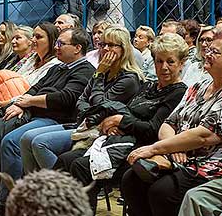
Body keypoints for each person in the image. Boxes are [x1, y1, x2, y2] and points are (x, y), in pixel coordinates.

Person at [0, 28, 96, 215]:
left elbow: (66, 98)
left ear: (78, 48)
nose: (57, 47)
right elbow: (35, 88)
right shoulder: (59, 67)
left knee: (10, 142)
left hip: (55, 119)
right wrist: (21, 104)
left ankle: (5, 205)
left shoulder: (85, 70)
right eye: (57, 43)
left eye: (61, 43)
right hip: (33, 112)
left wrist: (27, 102)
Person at [122, 31, 222, 216]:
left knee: (162, 192)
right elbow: (169, 123)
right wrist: (174, 148)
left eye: (214, 52)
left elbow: (204, 135)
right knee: (131, 180)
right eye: (207, 49)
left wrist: (155, 149)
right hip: (179, 157)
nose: (207, 53)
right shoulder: (198, 86)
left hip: (208, 164)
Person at [59, 33, 189, 213]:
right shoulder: (149, 86)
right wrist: (115, 123)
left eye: (170, 62)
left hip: (143, 147)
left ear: (182, 63)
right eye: (159, 61)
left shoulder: (179, 92)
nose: (163, 67)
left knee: (80, 166)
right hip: (118, 140)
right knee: (66, 159)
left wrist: (122, 121)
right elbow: (121, 109)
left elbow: (153, 129)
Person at [20, 25, 143, 183]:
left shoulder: (128, 79)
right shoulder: (101, 72)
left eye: (111, 45)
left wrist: (98, 75)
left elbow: (101, 105)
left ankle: (60, 193)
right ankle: (36, 191)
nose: (105, 49)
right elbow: (82, 100)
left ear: (124, 49)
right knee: (26, 139)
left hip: (101, 133)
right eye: (103, 44)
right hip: (83, 124)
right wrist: (89, 108)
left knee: (39, 142)